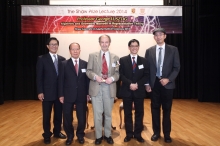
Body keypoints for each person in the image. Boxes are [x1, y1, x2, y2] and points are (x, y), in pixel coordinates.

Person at [145, 28, 180, 143]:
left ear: (165, 36)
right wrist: (147, 84)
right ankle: (156, 133)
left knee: (167, 110)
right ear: (154, 37)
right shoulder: (149, 51)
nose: (158, 37)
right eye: (156, 35)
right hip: (154, 85)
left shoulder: (173, 50)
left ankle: (167, 134)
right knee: (154, 109)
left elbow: (176, 68)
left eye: (161, 34)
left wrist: (168, 79)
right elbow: (147, 70)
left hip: (167, 85)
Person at [86, 34, 119, 145]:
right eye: (102, 42)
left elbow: (118, 74)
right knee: (97, 114)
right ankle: (99, 136)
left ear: (109, 43)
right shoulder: (92, 56)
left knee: (108, 114)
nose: (104, 44)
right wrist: (95, 77)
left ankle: (108, 135)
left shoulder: (116, 57)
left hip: (109, 88)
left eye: (106, 42)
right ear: (99, 43)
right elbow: (88, 71)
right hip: (96, 88)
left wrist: (112, 78)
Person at [36, 37, 66, 144]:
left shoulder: (63, 59)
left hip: (59, 94)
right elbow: (39, 77)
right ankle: (47, 134)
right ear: (47, 46)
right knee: (46, 115)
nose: (54, 46)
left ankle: (57, 132)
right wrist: (40, 91)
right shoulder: (42, 59)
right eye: (52, 44)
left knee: (58, 115)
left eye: (56, 44)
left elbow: (64, 78)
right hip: (47, 93)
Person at [58, 42, 90, 145]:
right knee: (67, 118)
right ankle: (70, 136)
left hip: (81, 95)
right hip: (67, 95)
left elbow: (87, 81)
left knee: (82, 118)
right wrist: (61, 95)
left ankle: (80, 135)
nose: (75, 51)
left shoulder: (85, 63)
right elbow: (61, 81)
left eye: (77, 49)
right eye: (73, 49)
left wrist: (88, 93)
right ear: (70, 51)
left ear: (80, 50)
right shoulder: (63, 64)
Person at [119, 39, 148, 143]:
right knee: (128, 113)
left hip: (139, 91)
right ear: (129, 47)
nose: (134, 48)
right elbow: (121, 75)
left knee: (139, 113)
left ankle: (138, 134)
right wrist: (130, 84)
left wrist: (137, 84)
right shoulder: (122, 60)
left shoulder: (144, 61)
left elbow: (146, 75)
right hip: (127, 90)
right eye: (132, 46)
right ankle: (129, 134)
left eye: (136, 46)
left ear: (138, 47)